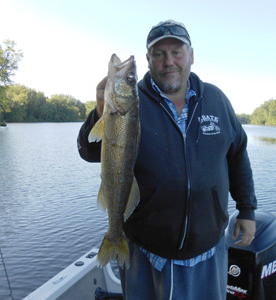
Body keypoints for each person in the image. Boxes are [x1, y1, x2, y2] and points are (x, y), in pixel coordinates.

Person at [77, 20, 257, 300]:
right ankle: (115, 239)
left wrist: (247, 210)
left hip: (208, 251)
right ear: (149, 60)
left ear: (191, 56)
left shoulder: (217, 100)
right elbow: (89, 152)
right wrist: (100, 111)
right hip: (146, 251)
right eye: (159, 54)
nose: (168, 61)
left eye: (176, 52)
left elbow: (238, 156)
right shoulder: (133, 101)